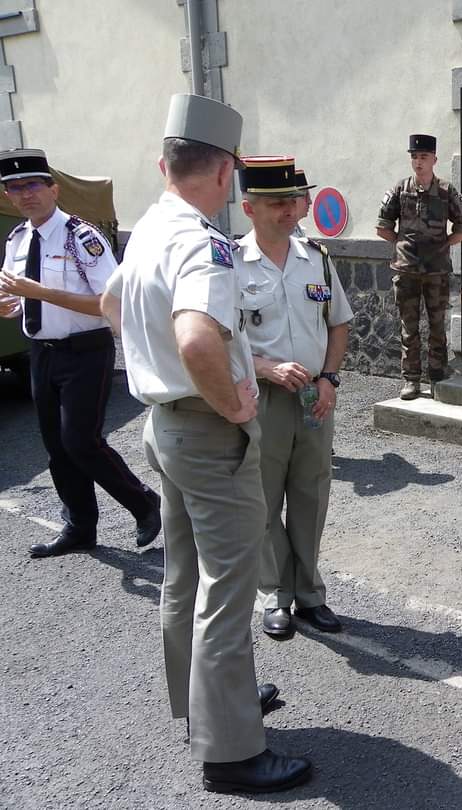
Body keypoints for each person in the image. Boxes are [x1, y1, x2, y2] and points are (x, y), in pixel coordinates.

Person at [100, 94, 310, 794]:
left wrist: (148, 362)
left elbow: (111, 304)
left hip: (164, 425)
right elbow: (196, 335)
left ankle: (201, 710)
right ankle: (232, 752)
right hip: (207, 428)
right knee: (227, 588)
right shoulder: (203, 240)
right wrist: (233, 399)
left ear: (166, 164)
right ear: (225, 175)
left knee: (182, 577)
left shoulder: (152, 226)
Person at [0, 148, 161, 559]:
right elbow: (19, 300)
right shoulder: (17, 240)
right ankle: (79, 527)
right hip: (42, 351)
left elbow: (110, 302)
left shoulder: (80, 236)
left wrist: (38, 292)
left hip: (85, 351)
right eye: (14, 188)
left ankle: (143, 503)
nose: (25, 195)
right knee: (56, 445)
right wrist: (11, 305)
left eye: (33, 185)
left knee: (80, 440)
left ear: (53, 189)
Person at [234, 155, 354, 641]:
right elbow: (223, 338)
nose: (290, 210)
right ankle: (274, 594)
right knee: (263, 500)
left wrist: (328, 379)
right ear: (249, 208)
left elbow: (338, 324)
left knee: (311, 496)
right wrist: (264, 367)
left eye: (294, 200)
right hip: (259, 399)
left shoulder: (317, 259)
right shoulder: (229, 265)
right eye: (277, 202)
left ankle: (309, 592)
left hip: (312, 400)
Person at [376, 133, 462, 400]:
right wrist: (402, 243)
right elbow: (382, 226)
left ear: (434, 160)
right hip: (406, 270)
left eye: (424, 157)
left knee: (437, 324)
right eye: (415, 157)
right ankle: (411, 380)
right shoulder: (400, 189)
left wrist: (442, 244)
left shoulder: (445, 191)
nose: (418, 162)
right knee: (410, 326)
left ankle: (438, 374)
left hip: (437, 270)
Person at [291, 167, 315, 236]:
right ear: (291, 199)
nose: (310, 201)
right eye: (305, 196)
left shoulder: (298, 230)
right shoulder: (282, 235)